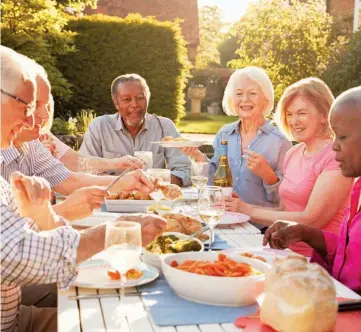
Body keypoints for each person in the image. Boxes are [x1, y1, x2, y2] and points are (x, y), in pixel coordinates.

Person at [0, 45, 167, 332]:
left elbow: (68, 178)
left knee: (118, 305)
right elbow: (14, 253)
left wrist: (121, 183)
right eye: (28, 105)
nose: (36, 118)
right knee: (113, 311)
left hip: (14, 311)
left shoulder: (28, 143)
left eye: (41, 104)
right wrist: (113, 232)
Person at [0, 52, 175, 221]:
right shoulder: (97, 126)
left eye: (46, 106)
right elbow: (10, 235)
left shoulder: (31, 145)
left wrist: (127, 180)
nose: (44, 117)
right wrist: (62, 211)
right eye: (31, 105)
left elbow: (69, 179)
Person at [226, 78, 353, 256]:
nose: (294, 121)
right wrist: (239, 206)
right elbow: (283, 211)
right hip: (283, 251)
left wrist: (248, 210)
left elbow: (311, 219)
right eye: (289, 114)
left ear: (324, 116)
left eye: (301, 113)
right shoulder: (293, 153)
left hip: (318, 259)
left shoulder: (335, 156)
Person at [263, 86, 361, 295]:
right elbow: (349, 255)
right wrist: (306, 233)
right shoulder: (358, 188)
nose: (333, 146)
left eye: (342, 137)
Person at [180, 67, 292, 208]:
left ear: (266, 98)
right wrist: (198, 155)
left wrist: (268, 175)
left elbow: (286, 201)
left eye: (252, 93)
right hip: (224, 216)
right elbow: (214, 180)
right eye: (239, 94)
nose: (245, 100)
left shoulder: (280, 142)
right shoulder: (224, 134)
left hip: (260, 226)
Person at [79, 73, 192, 186]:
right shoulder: (99, 126)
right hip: (110, 198)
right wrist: (123, 184)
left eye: (140, 98)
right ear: (116, 103)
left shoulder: (165, 126)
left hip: (153, 199)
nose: (134, 104)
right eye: (126, 99)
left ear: (148, 99)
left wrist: (156, 183)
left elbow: (184, 171)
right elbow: (85, 169)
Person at [39, 95, 145, 173]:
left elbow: (79, 163)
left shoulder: (45, 137)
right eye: (36, 105)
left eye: (48, 107)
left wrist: (116, 163)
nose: (45, 115)